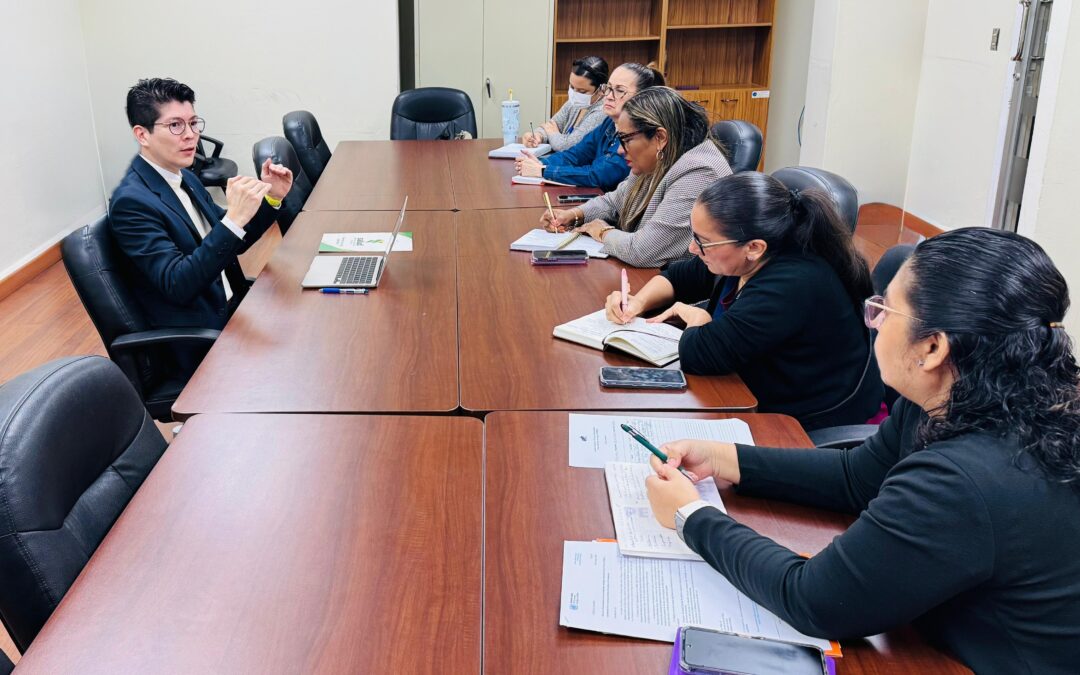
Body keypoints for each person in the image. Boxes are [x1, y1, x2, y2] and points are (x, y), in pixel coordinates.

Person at [645, 228, 1080, 674]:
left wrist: (690, 517)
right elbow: (859, 476)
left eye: (883, 310)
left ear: (933, 347)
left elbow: (815, 601)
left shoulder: (965, 477)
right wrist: (725, 459)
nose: (873, 321)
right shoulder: (968, 398)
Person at [604, 172, 882, 429]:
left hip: (804, 421)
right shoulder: (744, 254)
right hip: (754, 389)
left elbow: (699, 354)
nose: (692, 248)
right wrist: (637, 302)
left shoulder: (793, 282)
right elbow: (678, 276)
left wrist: (700, 321)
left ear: (753, 247)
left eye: (702, 242)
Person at [109, 77, 293, 375]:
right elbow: (179, 284)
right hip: (199, 340)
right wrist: (233, 219)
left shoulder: (184, 176)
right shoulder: (132, 203)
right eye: (175, 126)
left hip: (231, 312)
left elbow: (232, 240)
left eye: (194, 123)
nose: (190, 135)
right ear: (142, 135)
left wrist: (272, 198)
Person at [540, 86, 732, 267]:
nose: (620, 151)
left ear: (660, 138)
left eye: (627, 140)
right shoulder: (660, 156)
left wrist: (602, 231)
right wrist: (574, 215)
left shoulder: (699, 172)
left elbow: (643, 250)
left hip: (674, 290)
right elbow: (615, 201)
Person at [515, 62, 663, 191]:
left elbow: (597, 175)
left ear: (642, 97)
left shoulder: (639, 136)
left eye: (619, 90)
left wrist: (543, 171)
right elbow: (575, 154)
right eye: (609, 88)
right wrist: (538, 162)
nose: (609, 96)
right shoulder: (609, 123)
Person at [521, 56, 609, 152]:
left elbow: (567, 147)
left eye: (582, 91)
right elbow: (551, 125)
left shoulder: (603, 111)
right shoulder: (574, 103)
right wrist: (538, 136)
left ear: (602, 89)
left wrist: (552, 132)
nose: (574, 93)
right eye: (572, 86)